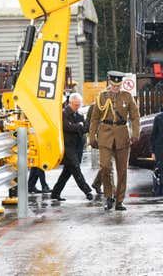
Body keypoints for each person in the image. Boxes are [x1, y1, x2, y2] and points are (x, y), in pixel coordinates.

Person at [88, 71, 140, 211]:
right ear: (109, 83)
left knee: (122, 170)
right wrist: (91, 136)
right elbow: (94, 119)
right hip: (105, 134)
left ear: (121, 84)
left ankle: (119, 201)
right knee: (105, 167)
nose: (116, 87)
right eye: (113, 85)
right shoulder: (101, 97)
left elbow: (135, 117)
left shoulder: (127, 97)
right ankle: (109, 195)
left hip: (122, 134)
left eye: (118, 85)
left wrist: (135, 133)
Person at [50, 93, 94, 201]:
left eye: (79, 105)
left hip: (77, 147)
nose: (77, 107)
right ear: (70, 103)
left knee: (67, 172)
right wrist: (78, 126)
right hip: (67, 147)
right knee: (76, 169)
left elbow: (85, 128)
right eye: (75, 105)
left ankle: (55, 193)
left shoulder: (79, 115)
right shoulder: (63, 114)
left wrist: (78, 127)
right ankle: (87, 191)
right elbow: (66, 126)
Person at [86, 102, 115, 197]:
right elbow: (90, 122)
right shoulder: (95, 106)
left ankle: (97, 183)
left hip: (113, 136)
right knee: (108, 164)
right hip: (103, 137)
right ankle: (112, 190)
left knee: (106, 164)